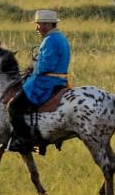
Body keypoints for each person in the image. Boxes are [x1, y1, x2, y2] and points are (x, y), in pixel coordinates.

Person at [7, 10, 70, 154]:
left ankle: (24, 141)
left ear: (48, 24)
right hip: (58, 80)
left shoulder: (51, 40)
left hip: (46, 83)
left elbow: (46, 66)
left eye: (39, 24)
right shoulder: (59, 38)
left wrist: (32, 67)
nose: (37, 28)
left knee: (13, 107)